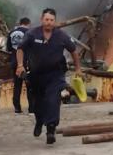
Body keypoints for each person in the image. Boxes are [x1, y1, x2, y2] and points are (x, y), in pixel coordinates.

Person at [16, 8, 82, 144]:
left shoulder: (61, 35)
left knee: (53, 100)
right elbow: (20, 49)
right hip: (36, 75)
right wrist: (20, 65)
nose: (49, 22)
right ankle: (39, 121)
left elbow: (74, 51)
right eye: (46, 20)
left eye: (51, 20)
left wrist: (78, 68)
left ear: (54, 21)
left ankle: (51, 129)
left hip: (55, 74)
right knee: (37, 103)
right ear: (42, 20)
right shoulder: (32, 34)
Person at [6, 17, 31, 113]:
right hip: (27, 62)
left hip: (15, 62)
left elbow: (8, 48)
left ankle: (17, 108)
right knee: (30, 85)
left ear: (20, 23)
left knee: (17, 86)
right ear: (28, 23)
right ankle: (31, 108)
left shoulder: (11, 33)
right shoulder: (30, 32)